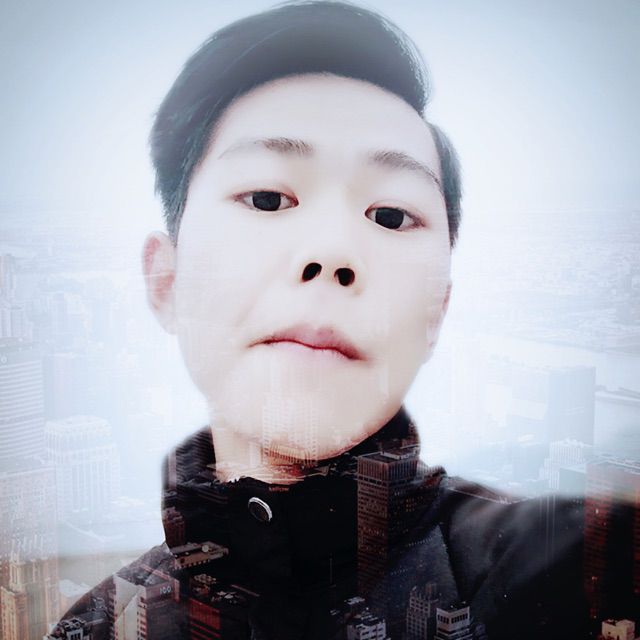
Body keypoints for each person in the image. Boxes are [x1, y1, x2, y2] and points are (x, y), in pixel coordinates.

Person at [50, 1, 589, 638]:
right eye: (267, 198)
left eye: (391, 216)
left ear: (436, 311)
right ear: (166, 281)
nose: (332, 252)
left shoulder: (567, 575)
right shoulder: (99, 625)